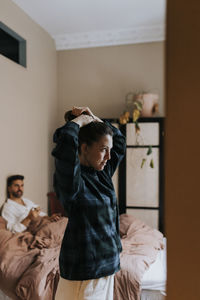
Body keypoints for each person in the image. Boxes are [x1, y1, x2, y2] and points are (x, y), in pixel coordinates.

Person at [52, 106, 126, 300]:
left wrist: (95, 119)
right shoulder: (72, 182)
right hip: (85, 271)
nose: (109, 157)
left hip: (108, 265)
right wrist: (77, 123)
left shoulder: (102, 174)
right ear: (84, 148)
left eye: (109, 151)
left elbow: (119, 142)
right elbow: (65, 148)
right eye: (103, 150)